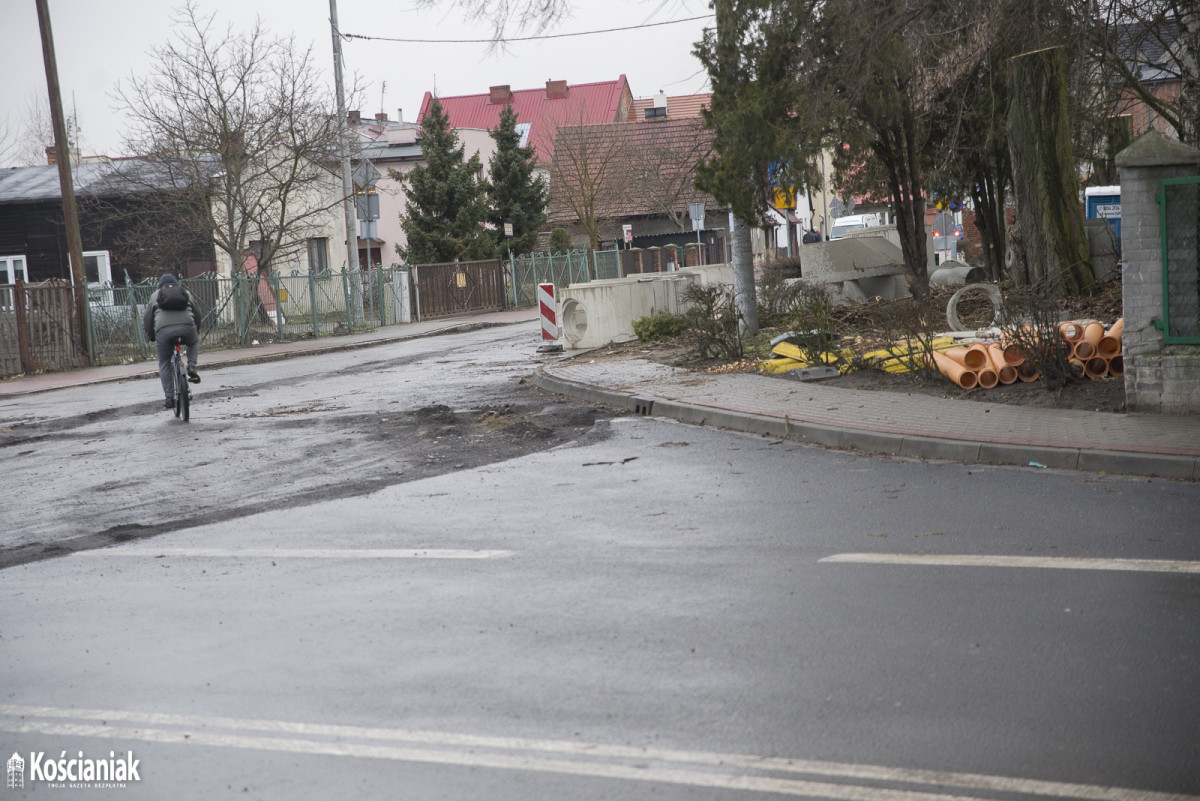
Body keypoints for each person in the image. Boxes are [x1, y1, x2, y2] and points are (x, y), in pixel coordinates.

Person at [142, 273, 202, 408]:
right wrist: (195, 331)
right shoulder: (185, 293)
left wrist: (151, 335)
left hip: (164, 332)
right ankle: (191, 366)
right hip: (188, 328)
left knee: (164, 362)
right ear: (176, 284)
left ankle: (169, 398)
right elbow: (197, 313)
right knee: (194, 342)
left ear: (159, 286)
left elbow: (147, 319)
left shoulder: (155, 296)